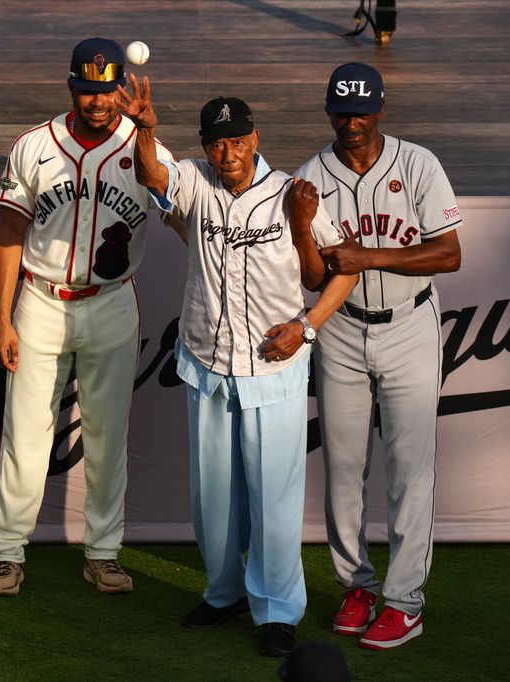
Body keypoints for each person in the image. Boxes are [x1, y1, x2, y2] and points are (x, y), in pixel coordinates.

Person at [119, 76, 358, 656]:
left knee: (273, 495)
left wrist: (307, 326)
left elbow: (343, 269)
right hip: (206, 359)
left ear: (255, 138)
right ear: (204, 147)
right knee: (213, 496)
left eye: (237, 141)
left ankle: (277, 611)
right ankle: (224, 592)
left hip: (273, 367)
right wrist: (146, 133)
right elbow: (153, 176)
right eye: (216, 144)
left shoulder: (291, 191)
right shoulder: (196, 183)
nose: (227, 154)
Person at [0, 38, 173, 596]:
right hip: (40, 300)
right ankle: (7, 553)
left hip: (112, 301)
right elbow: (9, 234)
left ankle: (104, 552)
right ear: (71, 87)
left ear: (123, 88)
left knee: (108, 435)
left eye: (107, 90)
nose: (98, 101)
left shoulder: (146, 149)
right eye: (88, 90)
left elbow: (175, 206)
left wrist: (147, 134)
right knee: (26, 433)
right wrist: (2, 318)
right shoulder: (33, 146)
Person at [295, 62, 462, 650]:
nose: (353, 120)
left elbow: (449, 255)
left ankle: (405, 601)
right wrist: (298, 227)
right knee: (343, 468)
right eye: (342, 110)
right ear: (329, 112)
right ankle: (357, 586)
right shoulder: (310, 176)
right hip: (339, 330)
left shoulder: (417, 164)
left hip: (410, 324)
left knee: (410, 470)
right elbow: (314, 276)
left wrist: (369, 257)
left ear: (380, 109)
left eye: (362, 108)